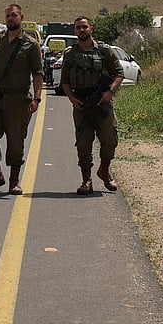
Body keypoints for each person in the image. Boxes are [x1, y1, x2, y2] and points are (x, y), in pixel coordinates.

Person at [0, 3, 44, 195]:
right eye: (7, 16)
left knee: (16, 142)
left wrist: (37, 99)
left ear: (21, 18)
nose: (10, 19)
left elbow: (38, 73)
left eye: (13, 15)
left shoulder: (30, 45)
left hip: (18, 100)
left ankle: (14, 181)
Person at [60, 16, 124, 195]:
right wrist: (72, 99)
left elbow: (119, 73)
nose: (82, 30)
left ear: (91, 29)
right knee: (83, 144)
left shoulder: (104, 51)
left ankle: (104, 170)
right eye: (78, 28)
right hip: (82, 105)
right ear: (74, 31)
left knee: (110, 140)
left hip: (102, 104)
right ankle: (86, 180)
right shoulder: (71, 54)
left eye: (85, 27)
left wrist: (110, 91)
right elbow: (64, 81)